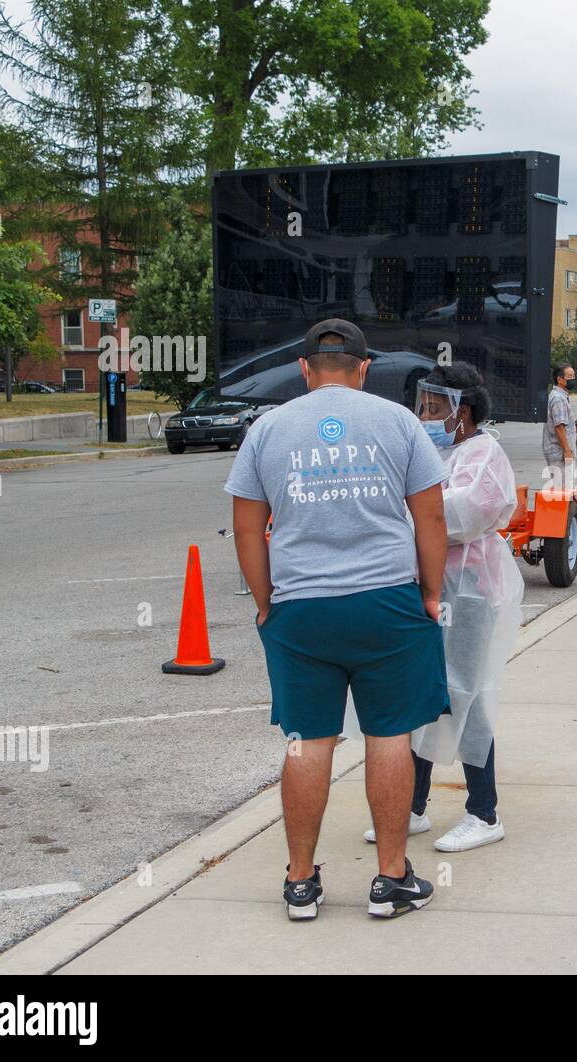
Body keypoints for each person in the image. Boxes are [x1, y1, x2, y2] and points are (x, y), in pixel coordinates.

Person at [226, 318, 450, 922]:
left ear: (304, 369)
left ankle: (301, 883)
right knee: (389, 737)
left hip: (301, 610)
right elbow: (431, 519)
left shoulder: (267, 429)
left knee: (306, 742)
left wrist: (266, 600)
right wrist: (430, 594)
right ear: (363, 367)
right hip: (386, 603)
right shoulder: (399, 422)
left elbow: (248, 528)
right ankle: (392, 880)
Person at [349, 362, 523, 853]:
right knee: (422, 693)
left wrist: (411, 507)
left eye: (433, 408)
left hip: (468, 589)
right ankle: (413, 805)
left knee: (467, 694)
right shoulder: (434, 451)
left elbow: (467, 510)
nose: (423, 415)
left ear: (461, 412)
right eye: (421, 407)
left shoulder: (483, 451)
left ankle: (484, 812)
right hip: (430, 586)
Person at [543, 363, 577, 482]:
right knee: (563, 488)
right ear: (560, 379)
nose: (573, 380)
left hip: (561, 450)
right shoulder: (558, 398)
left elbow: (562, 424)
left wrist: (573, 426)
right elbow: (559, 427)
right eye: (570, 377)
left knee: (566, 488)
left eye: (574, 376)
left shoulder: (561, 396)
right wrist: (567, 450)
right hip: (559, 452)